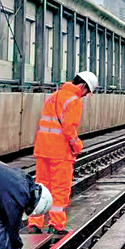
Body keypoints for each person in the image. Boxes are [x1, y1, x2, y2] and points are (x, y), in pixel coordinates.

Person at [27, 71, 98, 235]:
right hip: (60, 152)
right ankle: (56, 225)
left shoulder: (53, 96)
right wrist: (77, 145)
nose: (85, 96)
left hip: (43, 149)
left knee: (40, 186)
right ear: (83, 86)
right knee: (60, 189)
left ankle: (34, 223)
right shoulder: (74, 101)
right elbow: (68, 128)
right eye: (87, 92)